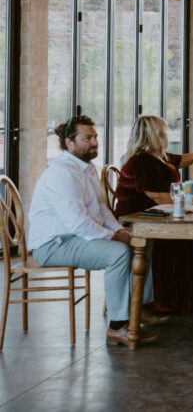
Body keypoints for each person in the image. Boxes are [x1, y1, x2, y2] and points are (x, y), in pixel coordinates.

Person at [28, 116, 167, 346]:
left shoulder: (87, 169)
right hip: (53, 244)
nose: (94, 142)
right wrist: (114, 236)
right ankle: (117, 326)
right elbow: (78, 223)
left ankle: (137, 309)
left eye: (95, 137)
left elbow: (101, 209)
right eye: (87, 138)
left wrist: (121, 230)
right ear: (68, 143)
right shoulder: (63, 173)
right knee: (118, 254)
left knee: (140, 241)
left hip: (75, 237)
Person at [114, 116, 193, 314]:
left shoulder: (158, 156)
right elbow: (158, 196)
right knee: (187, 237)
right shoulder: (142, 161)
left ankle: (190, 298)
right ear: (153, 135)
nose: (167, 135)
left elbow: (181, 160)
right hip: (138, 219)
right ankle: (170, 300)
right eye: (163, 131)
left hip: (159, 215)